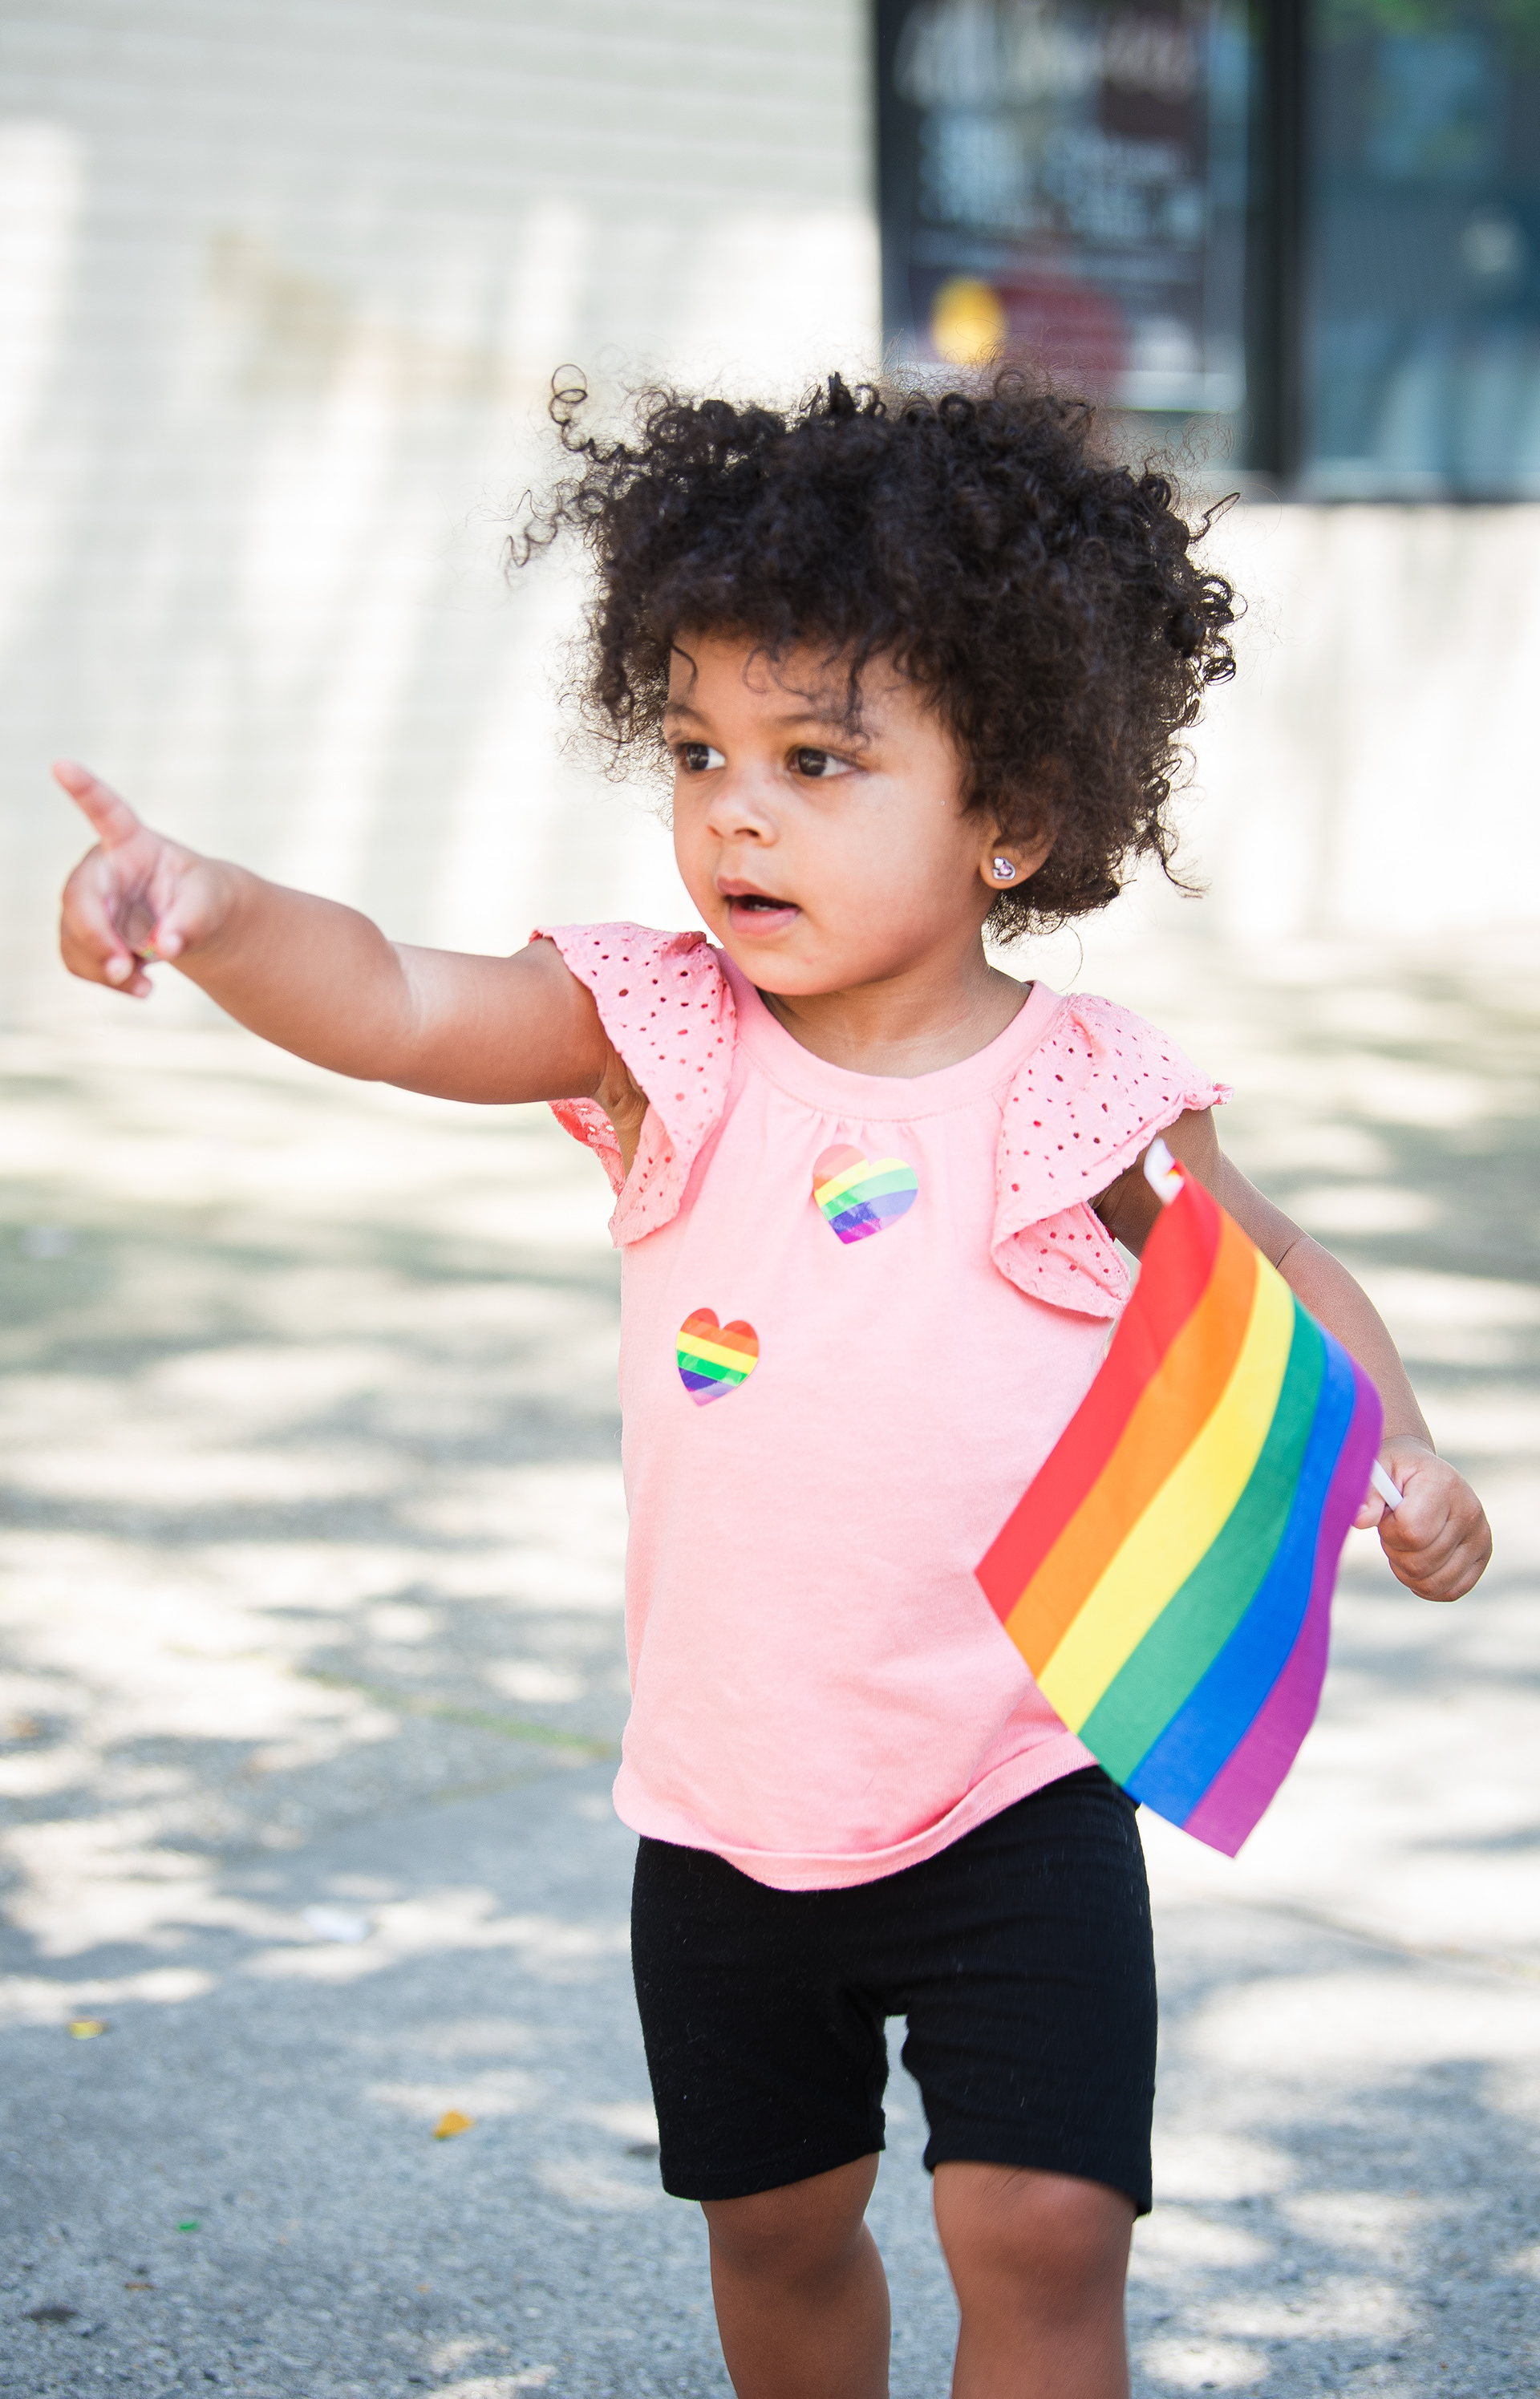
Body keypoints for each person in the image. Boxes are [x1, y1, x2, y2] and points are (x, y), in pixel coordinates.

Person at [55, 371, 1490, 2399]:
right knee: (779, 2226)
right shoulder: (666, 1034)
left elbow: (1281, 1277)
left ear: (1013, 812)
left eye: (820, 758)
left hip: (1019, 1778)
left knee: (1045, 2222)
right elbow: (388, 996)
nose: (735, 805)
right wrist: (208, 913)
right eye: (700, 745)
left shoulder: (1083, 1095)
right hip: (730, 1804)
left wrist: (1401, 1449)